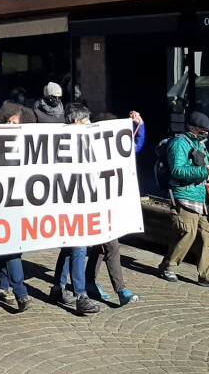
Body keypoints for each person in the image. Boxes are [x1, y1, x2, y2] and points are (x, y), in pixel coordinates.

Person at [158, 111, 209, 290]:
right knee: (187, 233)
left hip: (202, 197)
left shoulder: (199, 144)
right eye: (203, 130)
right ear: (194, 128)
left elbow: (207, 164)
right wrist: (205, 172)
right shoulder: (179, 143)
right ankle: (168, 267)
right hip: (184, 196)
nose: (207, 133)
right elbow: (177, 171)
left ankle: (208, 276)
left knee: (208, 235)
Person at [83, 111, 143, 306]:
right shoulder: (87, 147)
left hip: (109, 206)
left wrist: (139, 127)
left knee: (101, 248)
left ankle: (88, 282)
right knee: (112, 246)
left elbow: (135, 147)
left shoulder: (114, 148)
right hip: (93, 207)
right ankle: (121, 289)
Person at [48, 103, 101, 316]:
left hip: (79, 202)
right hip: (69, 204)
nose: (89, 124)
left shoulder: (87, 141)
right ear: (76, 122)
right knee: (78, 248)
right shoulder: (60, 142)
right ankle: (81, 295)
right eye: (86, 120)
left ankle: (58, 288)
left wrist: (138, 129)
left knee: (69, 248)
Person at [0, 102, 34, 311]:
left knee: (10, 247)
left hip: (20, 203)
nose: (10, 125)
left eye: (14, 122)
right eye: (7, 121)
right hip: (1, 204)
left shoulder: (28, 144)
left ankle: (2, 286)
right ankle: (21, 293)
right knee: (12, 247)